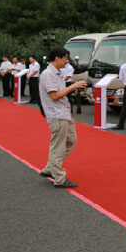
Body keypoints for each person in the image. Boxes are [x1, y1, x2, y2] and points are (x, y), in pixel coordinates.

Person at [38, 47, 87, 188]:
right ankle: (59, 177)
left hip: (64, 113)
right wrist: (73, 86)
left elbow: (60, 92)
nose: (67, 61)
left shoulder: (56, 73)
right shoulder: (48, 74)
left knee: (71, 141)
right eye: (65, 58)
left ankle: (50, 168)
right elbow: (55, 96)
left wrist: (73, 88)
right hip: (57, 114)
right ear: (57, 58)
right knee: (58, 147)